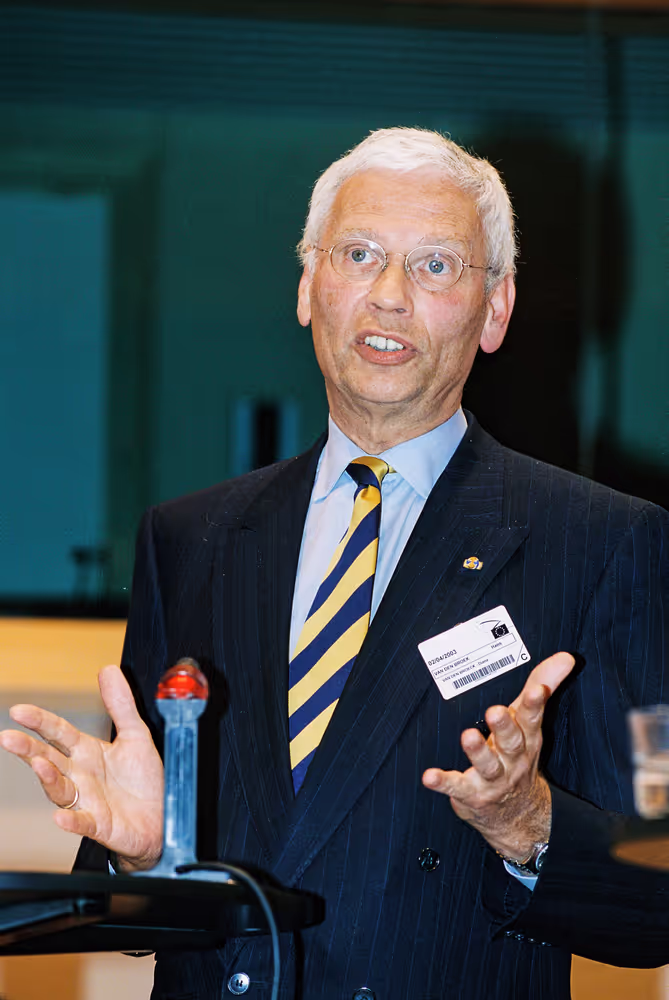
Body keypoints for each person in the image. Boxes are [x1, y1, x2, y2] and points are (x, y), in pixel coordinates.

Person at [1, 127, 668, 999]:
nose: (388, 296)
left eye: (434, 266)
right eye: (358, 255)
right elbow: (161, 879)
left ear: (495, 308)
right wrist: (140, 853)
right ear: (309, 287)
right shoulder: (190, 540)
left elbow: (652, 898)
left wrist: (528, 825)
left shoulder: (603, 542)